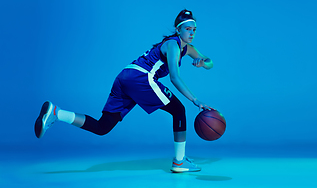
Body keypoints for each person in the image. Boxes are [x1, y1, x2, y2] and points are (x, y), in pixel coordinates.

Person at [35, 9, 213, 173]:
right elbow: (174, 77)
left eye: (194, 29)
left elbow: (209, 62)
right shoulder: (173, 45)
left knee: (102, 127)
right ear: (178, 29)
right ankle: (180, 162)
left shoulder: (188, 48)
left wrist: (203, 62)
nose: (191, 33)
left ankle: (56, 113)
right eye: (188, 29)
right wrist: (195, 100)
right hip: (141, 78)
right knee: (179, 110)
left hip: (125, 76)